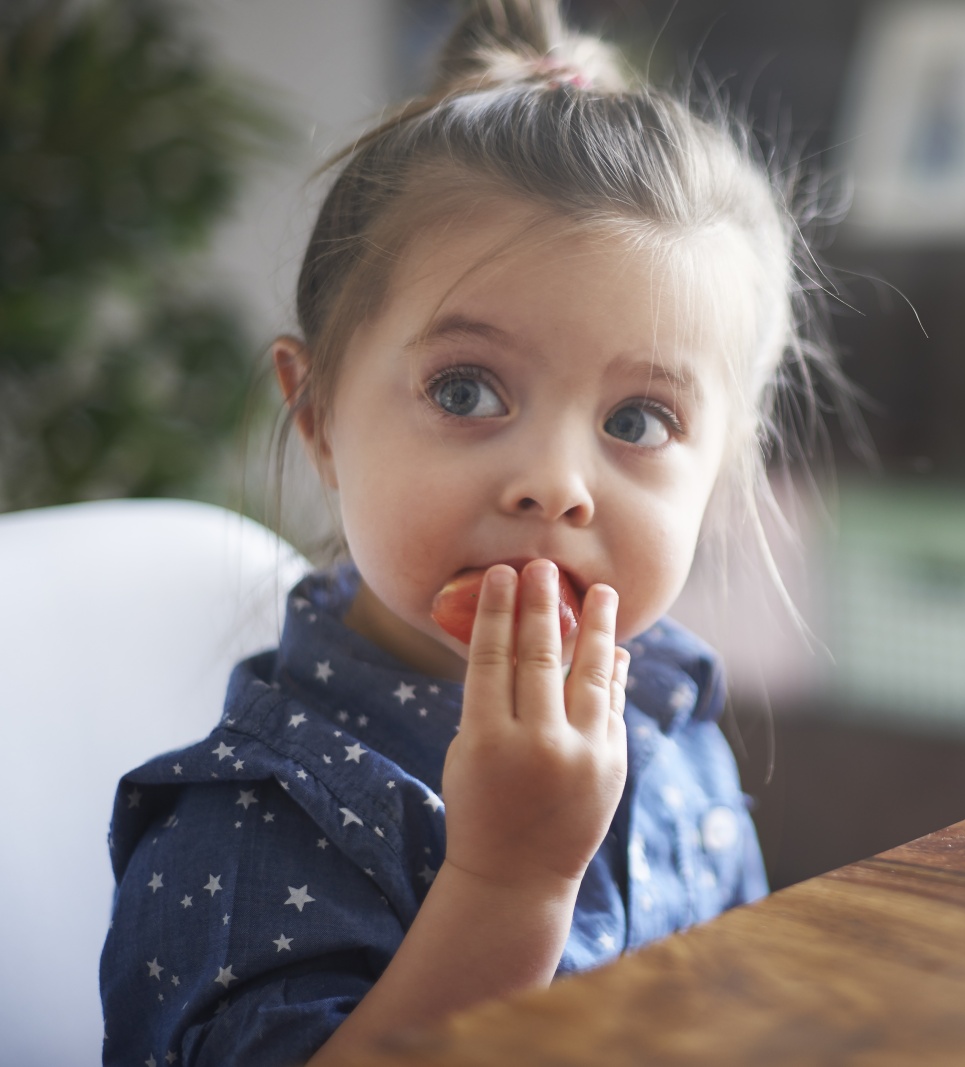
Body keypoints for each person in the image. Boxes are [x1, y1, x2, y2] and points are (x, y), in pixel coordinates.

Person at [98, 1, 843, 1062]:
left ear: (720, 475)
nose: (553, 484)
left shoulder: (672, 718)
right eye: (465, 389)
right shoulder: (248, 824)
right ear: (317, 420)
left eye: (637, 420)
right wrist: (509, 881)